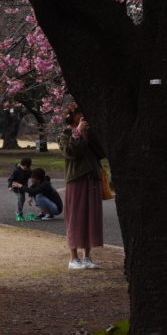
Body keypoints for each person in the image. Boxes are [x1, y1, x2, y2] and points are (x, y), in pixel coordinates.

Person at [59, 109, 105, 270]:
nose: (83, 116)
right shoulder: (65, 135)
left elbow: (102, 152)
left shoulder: (89, 133)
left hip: (93, 178)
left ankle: (87, 257)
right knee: (75, 218)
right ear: (71, 117)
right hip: (76, 180)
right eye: (79, 113)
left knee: (90, 218)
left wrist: (91, 133)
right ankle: (73, 258)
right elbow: (71, 152)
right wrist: (78, 132)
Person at [7, 156, 32, 221]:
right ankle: (19, 212)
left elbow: (32, 176)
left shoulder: (28, 170)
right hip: (16, 186)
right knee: (21, 197)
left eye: (27, 168)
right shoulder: (16, 171)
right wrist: (9, 186)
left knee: (22, 198)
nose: (25, 169)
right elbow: (10, 179)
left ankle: (19, 211)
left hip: (24, 186)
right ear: (21, 164)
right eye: (24, 167)